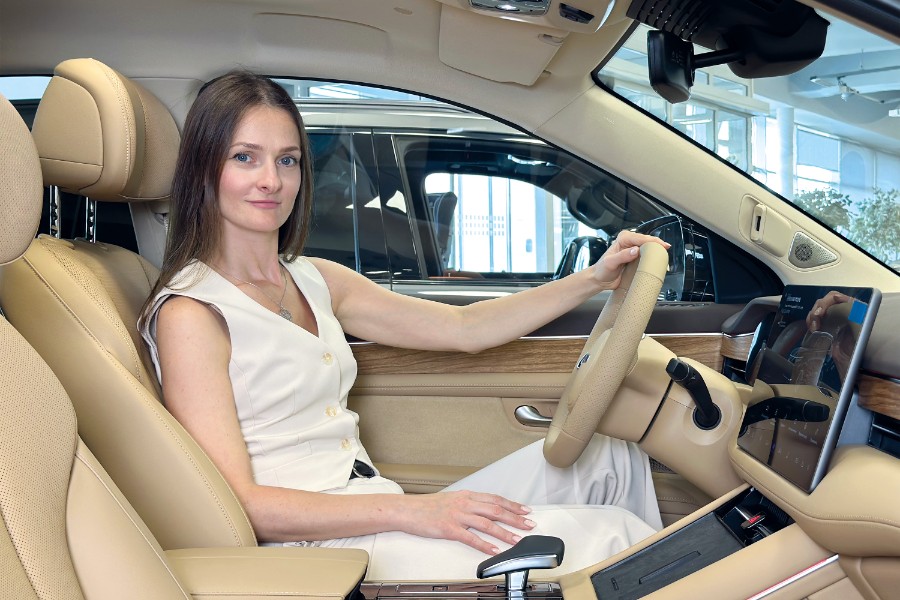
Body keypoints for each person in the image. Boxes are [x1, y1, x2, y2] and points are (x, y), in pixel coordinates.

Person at [139, 71, 671, 580]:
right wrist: (415, 512)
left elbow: (464, 328)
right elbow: (239, 504)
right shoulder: (191, 313)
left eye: (287, 160)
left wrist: (594, 279)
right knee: (615, 537)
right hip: (321, 551)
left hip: (376, 509)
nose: (271, 181)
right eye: (244, 157)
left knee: (609, 459)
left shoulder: (315, 278)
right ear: (204, 169)